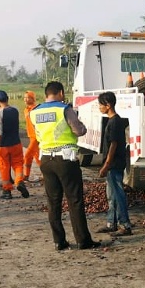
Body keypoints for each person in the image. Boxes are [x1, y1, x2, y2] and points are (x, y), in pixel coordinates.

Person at [30, 81, 100, 251]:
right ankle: (83, 241)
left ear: (47, 94)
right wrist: (81, 124)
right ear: (60, 92)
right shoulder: (64, 109)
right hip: (65, 160)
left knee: (53, 202)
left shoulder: (35, 112)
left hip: (46, 159)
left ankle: (59, 241)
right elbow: (79, 131)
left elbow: (37, 133)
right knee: (74, 200)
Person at [96, 91, 133, 236]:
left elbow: (113, 144)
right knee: (111, 195)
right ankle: (111, 223)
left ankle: (125, 225)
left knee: (118, 194)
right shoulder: (112, 121)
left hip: (114, 164)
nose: (99, 107)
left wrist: (106, 164)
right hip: (113, 163)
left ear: (108, 105)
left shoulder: (115, 122)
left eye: (100, 104)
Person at [0, 90, 29, 200]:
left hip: (3, 146)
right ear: (8, 98)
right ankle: (19, 181)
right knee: (18, 164)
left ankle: (7, 190)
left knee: (4, 167)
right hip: (16, 143)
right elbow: (9, 108)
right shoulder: (15, 110)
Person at [22, 91, 40, 182]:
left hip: (36, 137)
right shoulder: (26, 110)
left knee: (27, 156)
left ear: (32, 99)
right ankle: (48, 175)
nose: (25, 99)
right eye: (24, 97)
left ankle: (26, 175)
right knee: (38, 158)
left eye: (27, 97)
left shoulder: (36, 109)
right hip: (31, 136)